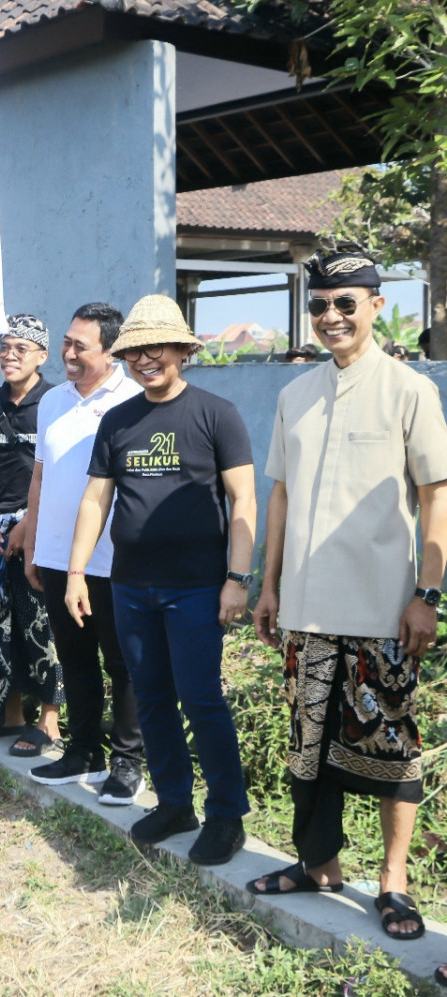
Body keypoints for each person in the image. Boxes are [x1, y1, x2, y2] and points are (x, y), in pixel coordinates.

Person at [252, 250, 447, 943]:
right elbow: (278, 494)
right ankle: (321, 864)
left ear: (374, 304)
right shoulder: (293, 394)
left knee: (392, 748)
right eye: (319, 304)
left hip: (381, 612)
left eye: (345, 303)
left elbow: (435, 495)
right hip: (304, 608)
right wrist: (267, 584)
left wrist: (428, 592)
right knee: (308, 750)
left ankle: (393, 882)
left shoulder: (408, 389)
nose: (330, 316)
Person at [64, 294, 256, 865]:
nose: (146, 360)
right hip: (130, 586)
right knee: (150, 698)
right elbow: (95, 501)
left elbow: (243, 497)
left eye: (157, 349)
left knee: (201, 700)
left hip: (197, 588)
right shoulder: (118, 420)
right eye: (135, 352)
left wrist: (237, 579)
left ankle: (226, 815)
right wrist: (77, 571)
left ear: (181, 351)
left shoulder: (216, 414)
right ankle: (175, 802)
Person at [22, 302, 145, 802]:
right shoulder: (53, 401)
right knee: (74, 658)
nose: (68, 354)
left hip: (111, 560)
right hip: (55, 556)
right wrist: (32, 541)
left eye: (80, 346)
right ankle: (83, 753)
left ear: (111, 350)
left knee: (122, 663)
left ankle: (127, 762)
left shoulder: (133, 398)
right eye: (67, 343)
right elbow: (40, 475)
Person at [0, 314, 63, 756]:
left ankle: (50, 723)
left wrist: (31, 524)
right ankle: (8, 713)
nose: (9, 355)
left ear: (41, 355)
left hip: (42, 528)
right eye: (4, 347)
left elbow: (59, 473)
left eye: (21, 348)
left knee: (42, 624)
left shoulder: (56, 401)